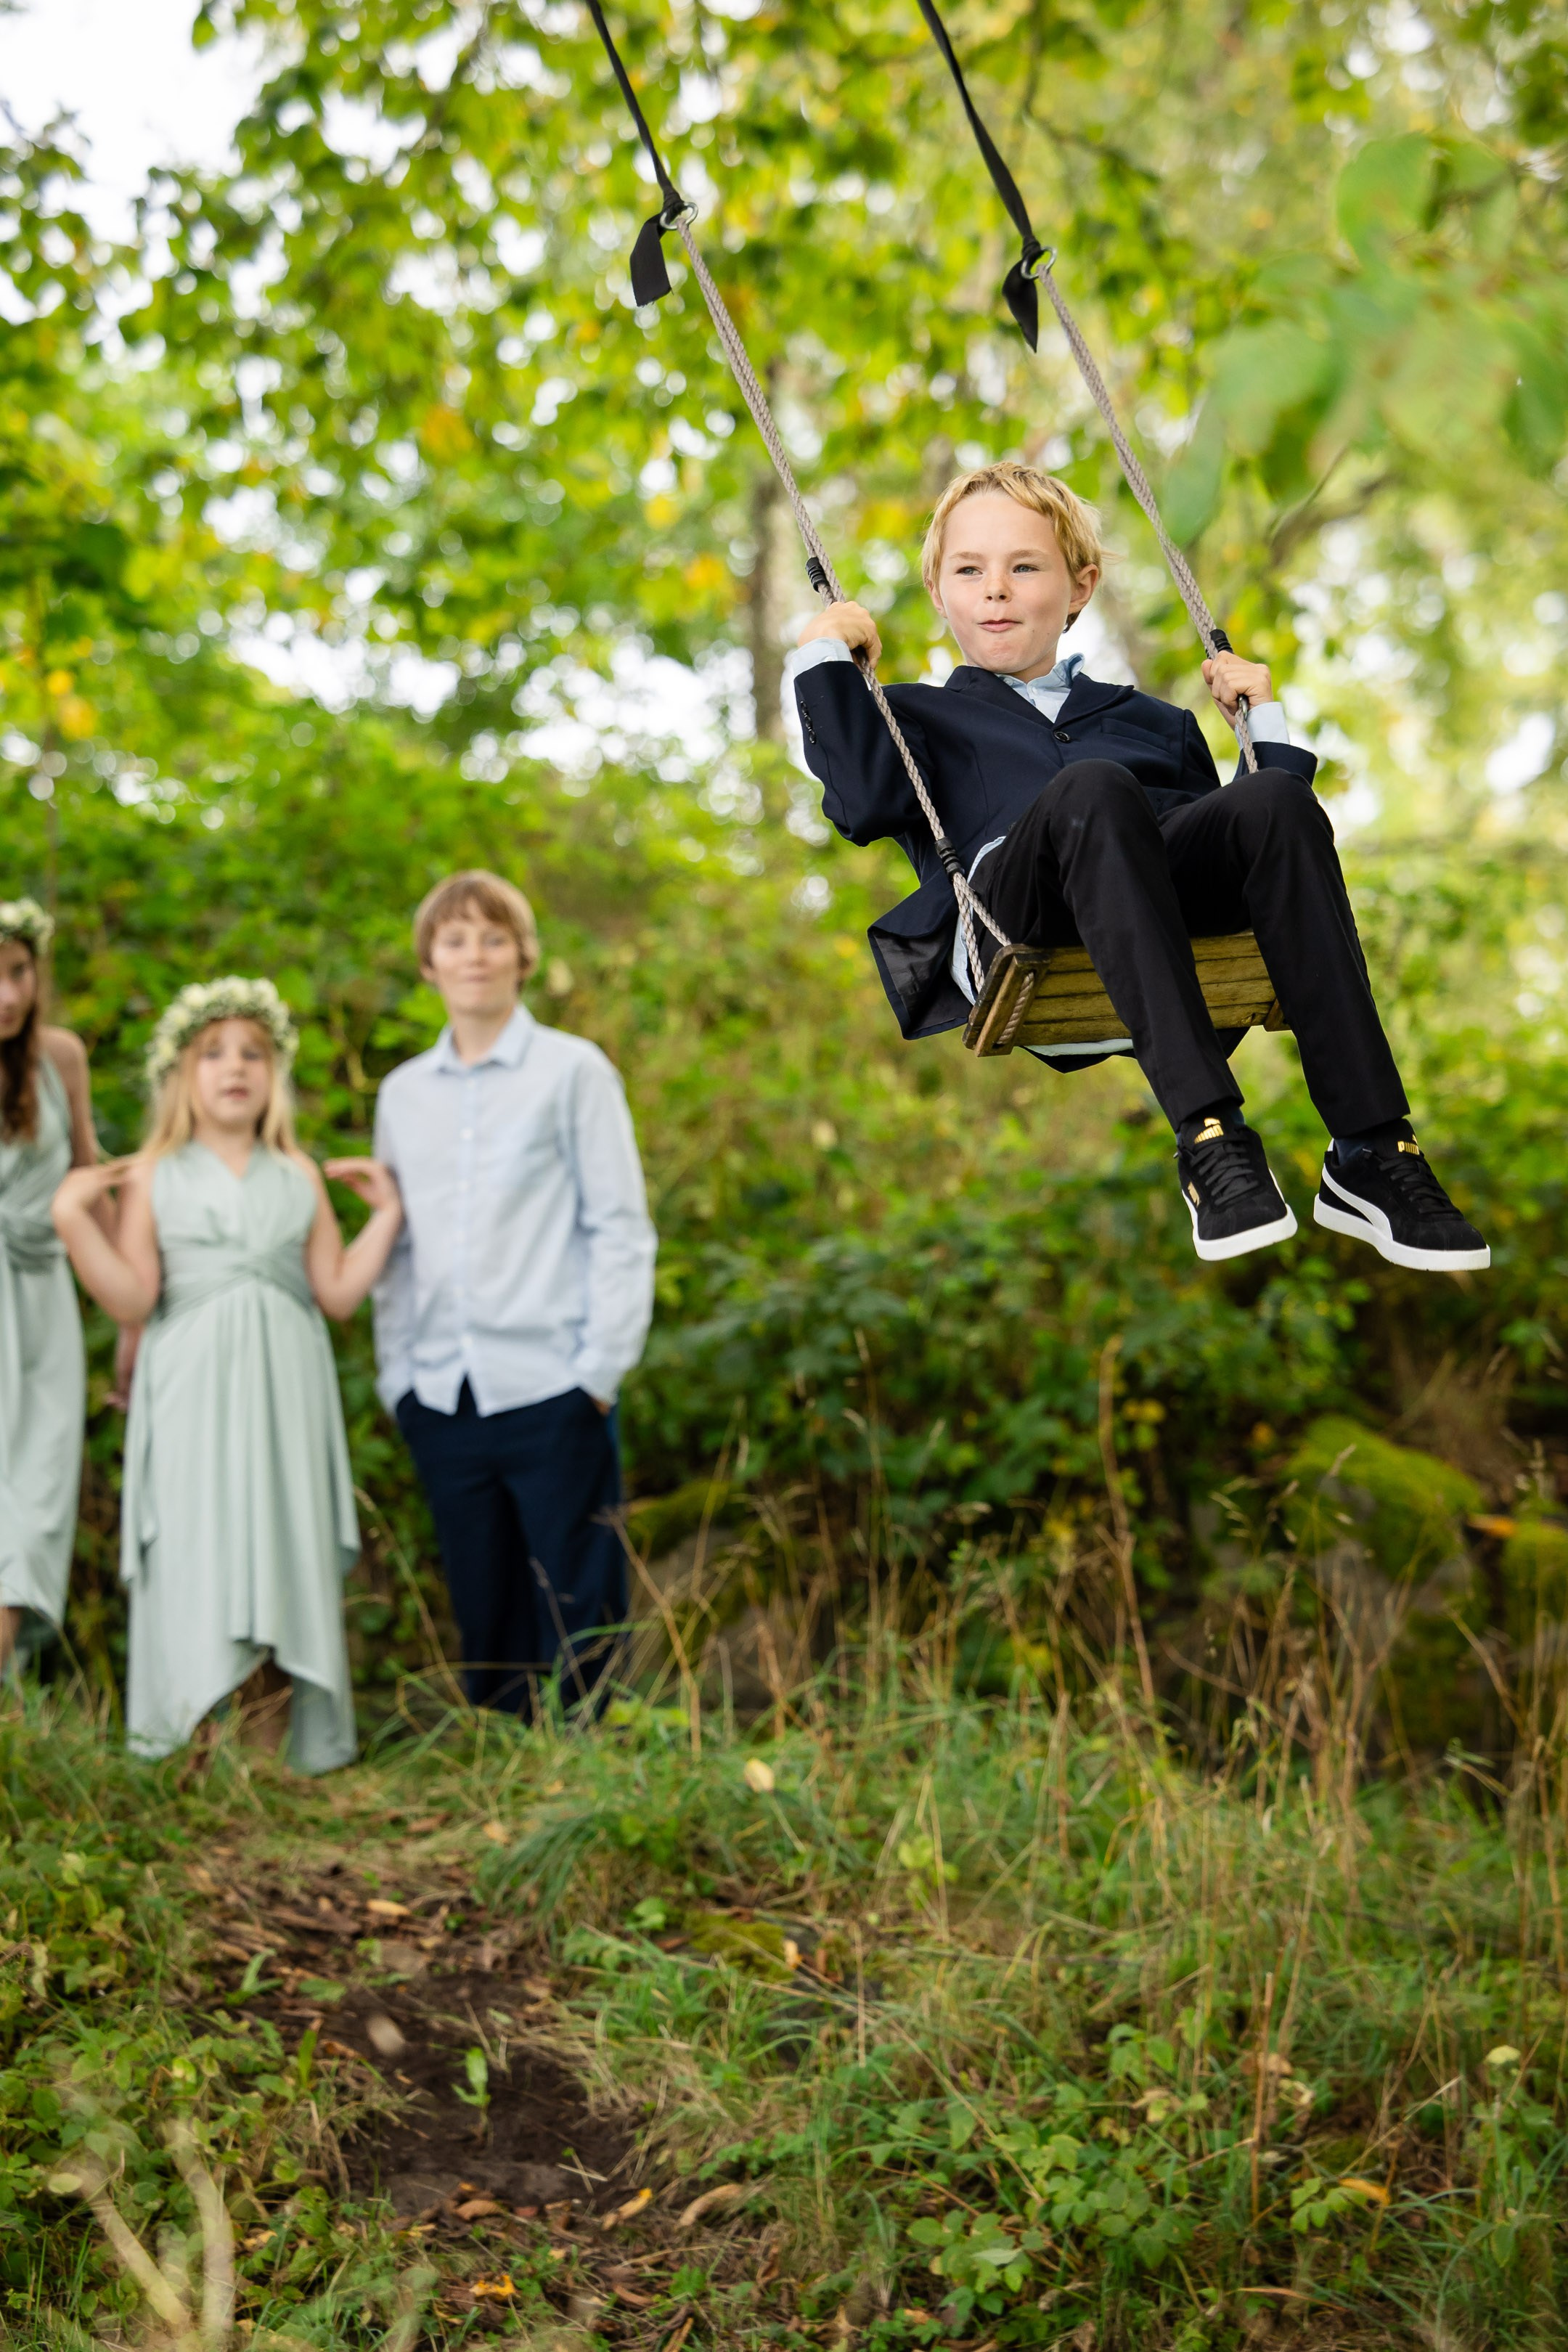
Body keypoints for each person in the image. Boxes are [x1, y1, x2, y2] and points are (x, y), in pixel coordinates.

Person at [787, 460, 1489, 1273]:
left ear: (1080, 587)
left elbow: (1270, 857)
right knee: (1092, 789)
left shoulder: (1152, 723)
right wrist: (825, 654)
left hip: (1146, 902)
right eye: (969, 571)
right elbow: (864, 801)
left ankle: (1372, 1149)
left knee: (1274, 802)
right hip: (1015, 917)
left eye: (1024, 567)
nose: (996, 591)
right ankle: (1209, 1135)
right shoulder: (915, 714)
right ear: (939, 594)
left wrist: (1267, 721)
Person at [51, 978, 402, 1771]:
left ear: (275, 1074)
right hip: (190, 1389)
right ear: (182, 1075)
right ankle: (196, 1751)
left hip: (286, 1389)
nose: (234, 1068)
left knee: (278, 1542)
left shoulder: (299, 1174)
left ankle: (268, 1757)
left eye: (253, 1053)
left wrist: (386, 1216)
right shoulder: (152, 1174)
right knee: (198, 1542)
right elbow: (135, 1297)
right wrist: (75, 1223)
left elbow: (339, 1293)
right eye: (213, 1054)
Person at [372, 871, 657, 1718]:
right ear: (429, 961)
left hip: (553, 1384)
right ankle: (493, 1782)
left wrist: (597, 1373)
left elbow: (620, 1227)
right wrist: (398, 1380)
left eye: (493, 938)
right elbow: (399, 1248)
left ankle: (585, 1792)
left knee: (580, 1605)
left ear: (523, 956)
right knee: (482, 1600)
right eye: (455, 940)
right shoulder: (402, 1095)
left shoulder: (574, 1073)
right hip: (441, 1390)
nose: (475, 956)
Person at [0, 897, 103, 1672]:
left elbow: (89, 1171)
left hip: (43, 1299)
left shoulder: (61, 1057)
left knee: (35, 1490)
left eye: (18, 974)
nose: (7, 995)